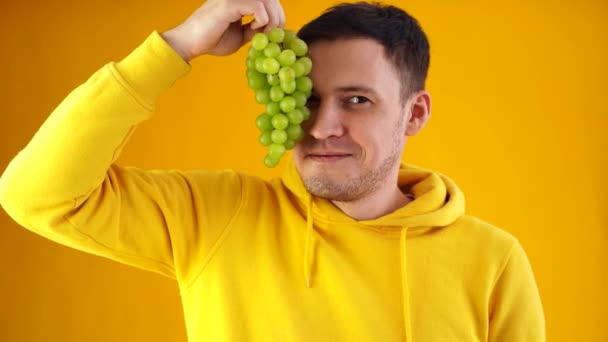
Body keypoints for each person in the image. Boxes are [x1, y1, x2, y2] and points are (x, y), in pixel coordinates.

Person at [0, 0, 545, 341]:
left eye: (356, 100)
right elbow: (36, 194)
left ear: (415, 113)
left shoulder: (492, 260)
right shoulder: (218, 219)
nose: (322, 125)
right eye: (307, 99)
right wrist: (174, 49)